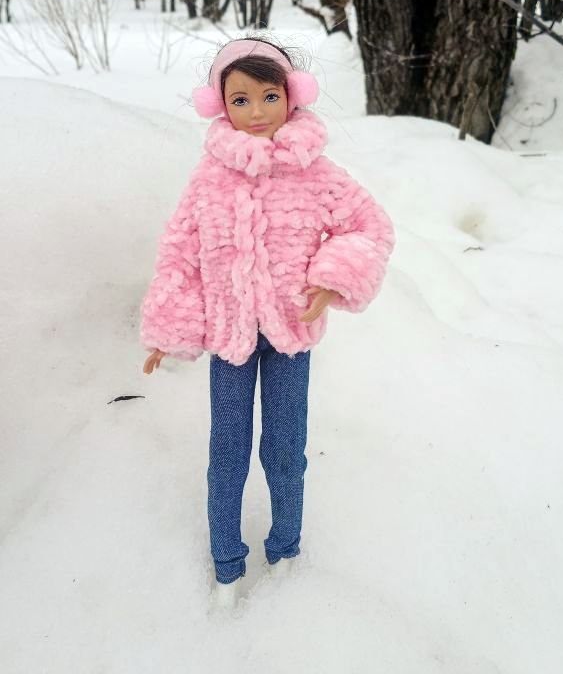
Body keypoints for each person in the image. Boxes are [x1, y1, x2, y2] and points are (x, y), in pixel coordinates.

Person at [139, 36, 396, 600]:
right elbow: (180, 251)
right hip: (228, 339)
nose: (256, 113)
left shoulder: (316, 173)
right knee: (226, 453)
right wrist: (169, 328)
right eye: (240, 100)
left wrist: (332, 278)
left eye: (268, 96)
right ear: (220, 105)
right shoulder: (211, 178)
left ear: (292, 97)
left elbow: (369, 226)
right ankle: (227, 563)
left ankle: (285, 549)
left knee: (285, 449)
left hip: (290, 336)